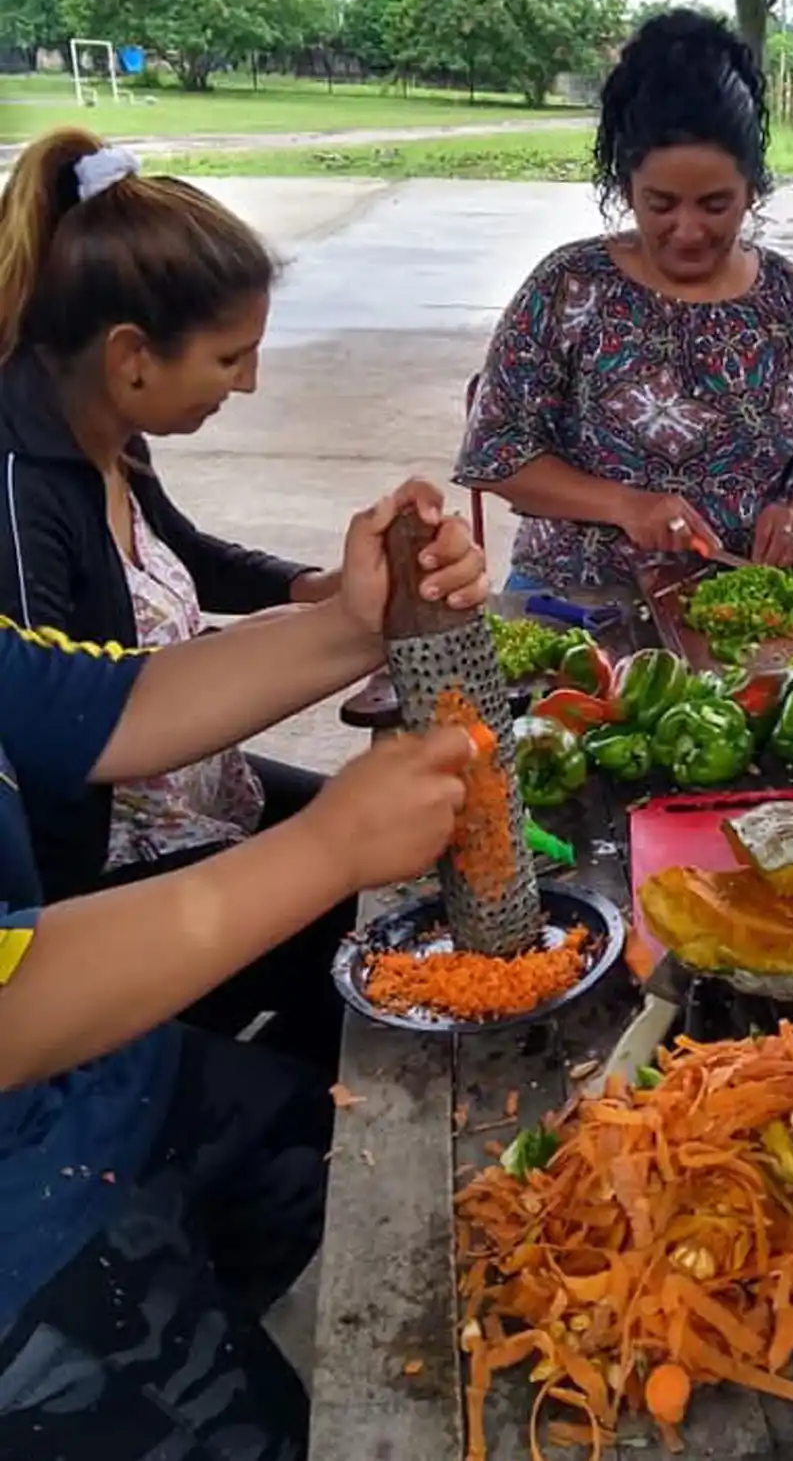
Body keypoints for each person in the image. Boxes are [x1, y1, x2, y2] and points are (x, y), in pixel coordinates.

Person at [0, 476, 485, 1460]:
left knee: (322, 1154)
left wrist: (356, 621)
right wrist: (326, 848)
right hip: (21, 1240)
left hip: (80, 1089)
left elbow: (93, 704)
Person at [0, 129, 352, 1070]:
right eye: (231, 357)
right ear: (134, 357)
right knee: (349, 914)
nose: (250, 380)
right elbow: (67, 747)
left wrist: (313, 588)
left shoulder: (104, 427)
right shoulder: (22, 495)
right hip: (100, 868)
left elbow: (180, 552)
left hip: (191, 782)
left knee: (385, 858)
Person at [455, 8, 793, 592]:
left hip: (743, 599)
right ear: (624, 185)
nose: (686, 231)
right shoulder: (569, 288)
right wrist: (628, 505)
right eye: (660, 204)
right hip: (574, 601)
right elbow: (496, 452)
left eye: (714, 205)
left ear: (752, 190)